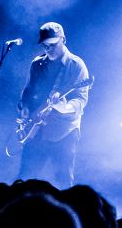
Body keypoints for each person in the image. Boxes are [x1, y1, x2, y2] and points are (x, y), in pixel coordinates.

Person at [16, 21, 91, 188]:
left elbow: (80, 100)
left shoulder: (76, 65)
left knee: (63, 182)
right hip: (36, 131)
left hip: (64, 131)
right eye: (44, 46)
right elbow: (28, 92)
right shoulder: (37, 64)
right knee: (24, 178)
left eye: (52, 45)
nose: (48, 49)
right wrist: (25, 108)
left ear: (63, 40)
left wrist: (64, 107)